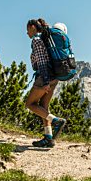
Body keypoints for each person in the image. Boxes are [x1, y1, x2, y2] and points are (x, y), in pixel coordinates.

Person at [25, 18, 67, 148]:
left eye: (27, 29)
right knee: (43, 107)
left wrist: (45, 81)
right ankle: (48, 138)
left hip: (45, 77)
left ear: (33, 27)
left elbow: (42, 61)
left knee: (30, 104)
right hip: (55, 77)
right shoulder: (45, 39)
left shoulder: (37, 40)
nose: (27, 33)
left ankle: (55, 121)